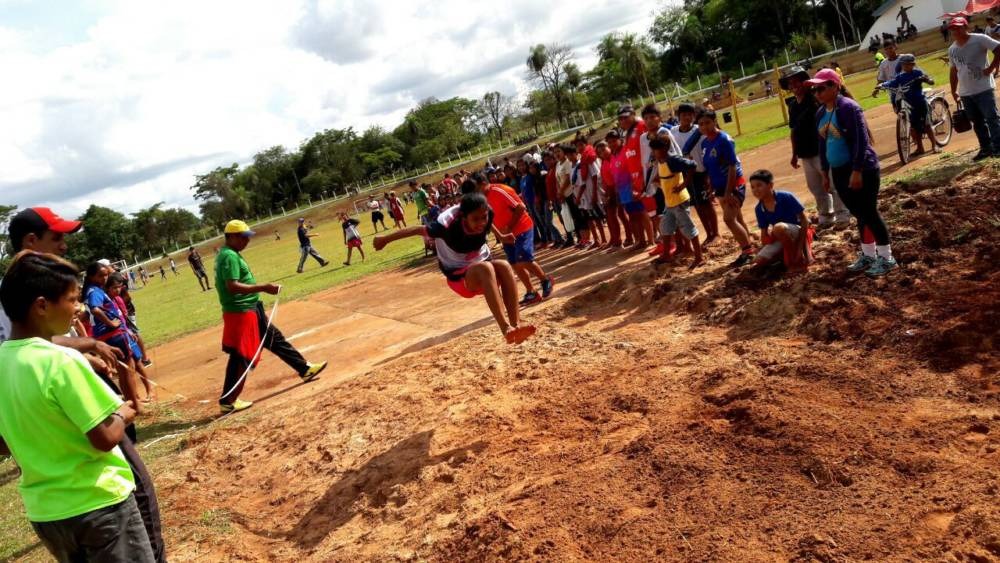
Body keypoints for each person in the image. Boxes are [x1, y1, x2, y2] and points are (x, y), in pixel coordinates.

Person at [0, 252, 156, 563]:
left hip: (47, 515)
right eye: (72, 300)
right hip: (99, 505)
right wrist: (127, 409)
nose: (79, 309)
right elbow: (103, 438)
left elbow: (2, 445)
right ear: (42, 305)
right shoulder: (60, 359)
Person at [373, 193, 536, 344]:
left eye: (483, 218)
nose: (481, 223)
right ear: (464, 218)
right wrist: (385, 239)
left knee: (504, 265)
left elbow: (489, 221)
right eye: (475, 219)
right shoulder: (445, 226)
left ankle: (516, 325)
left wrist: (500, 236)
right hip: (460, 278)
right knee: (485, 268)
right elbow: (416, 230)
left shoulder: (487, 213)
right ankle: (505, 328)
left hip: (486, 274)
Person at [214, 220, 327, 413]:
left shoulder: (230, 254)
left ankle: (304, 369)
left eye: (247, 237)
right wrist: (264, 287)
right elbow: (232, 287)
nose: (246, 241)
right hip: (242, 312)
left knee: (274, 339)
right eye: (243, 237)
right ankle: (228, 399)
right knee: (241, 354)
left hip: (250, 308)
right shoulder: (228, 256)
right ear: (231, 237)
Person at [811, 68, 897, 277]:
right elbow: (823, 144)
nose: (817, 93)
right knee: (859, 214)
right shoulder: (821, 113)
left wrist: (857, 170)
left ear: (835, 86)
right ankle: (868, 254)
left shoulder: (849, 108)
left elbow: (861, 141)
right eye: (815, 89)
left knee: (869, 212)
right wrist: (824, 171)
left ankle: (886, 257)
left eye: (822, 88)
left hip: (862, 168)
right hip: (839, 171)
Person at [782, 66, 851, 226]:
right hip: (805, 152)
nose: (794, 86)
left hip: (821, 149)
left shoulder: (814, 99)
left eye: (796, 82)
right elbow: (793, 130)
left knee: (832, 184)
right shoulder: (792, 105)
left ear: (804, 82)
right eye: (790, 84)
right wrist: (794, 154)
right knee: (816, 187)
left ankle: (843, 214)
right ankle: (826, 215)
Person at [473, 174, 555, 305]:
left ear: (483, 183)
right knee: (515, 263)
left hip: (521, 228)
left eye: (476, 188)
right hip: (506, 235)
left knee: (523, 258)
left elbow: (521, 207)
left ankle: (545, 280)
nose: (475, 191)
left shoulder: (499, 190)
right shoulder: (481, 199)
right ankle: (531, 292)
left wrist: (509, 227)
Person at [696, 108, 755, 267]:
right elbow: (709, 167)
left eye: (707, 122)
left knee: (729, 219)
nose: (705, 127)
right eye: (701, 124)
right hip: (720, 187)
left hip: (734, 185)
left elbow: (732, 167)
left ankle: (747, 251)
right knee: (738, 218)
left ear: (714, 121)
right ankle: (750, 247)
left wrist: (729, 192)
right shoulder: (704, 143)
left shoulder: (724, 140)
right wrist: (710, 186)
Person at [948, 16, 1000, 160]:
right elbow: (953, 71)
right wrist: (954, 90)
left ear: (966, 27)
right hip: (966, 92)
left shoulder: (979, 39)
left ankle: (998, 147)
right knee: (977, 122)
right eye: (953, 29)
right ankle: (986, 148)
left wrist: (990, 69)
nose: (955, 31)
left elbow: (998, 49)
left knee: (992, 118)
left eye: (958, 27)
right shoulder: (952, 49)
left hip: (983, 88)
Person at [649, 136, 703, 269]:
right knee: (665, 228)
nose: (654, 152)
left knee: (688, 229)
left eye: (656, 150)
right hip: (670, 202)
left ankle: (699, 257)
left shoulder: (673, 160)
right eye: (653, 150)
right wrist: (658, 183)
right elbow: (661, 178)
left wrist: (684, 184)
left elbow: (692, 165)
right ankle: (667, 254)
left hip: (679, 202)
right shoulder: (660, 161)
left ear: (665, 149)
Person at [672, 103, 720, 246]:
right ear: (678, 116)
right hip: (686, 175)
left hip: (701, 171)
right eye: (683, 115)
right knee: (698, 205)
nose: (687, 117)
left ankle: (716, 233)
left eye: (689, 114)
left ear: (694, 116)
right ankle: (709, 234)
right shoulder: (674, 132)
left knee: (707, 204)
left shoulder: (699, 130)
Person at [877, 54, 942, 155]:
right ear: (901, 65)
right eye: (904, 65)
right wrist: (881, 85)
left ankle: (935, 145)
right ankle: (920, 148)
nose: (906, 66)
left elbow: (930, 81)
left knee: (927, 125)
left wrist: (926, 79)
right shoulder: (900, 77)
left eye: (909, 64)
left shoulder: (918, 73)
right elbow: (891, 83)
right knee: (915, 127)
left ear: (913, 64)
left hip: (920, 102)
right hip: (910, 104)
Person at [749, 169, 812, 273]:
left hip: (798, 231)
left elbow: (805, 221)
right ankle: (783, 257)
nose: (755, 190)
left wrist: (800, 248)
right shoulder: (759, 208)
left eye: (759, 185)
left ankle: (797, 262)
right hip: (780, 235)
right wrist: (766, 245)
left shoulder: (786, 196)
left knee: (778, 227)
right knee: (757, 262)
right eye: (752, 187)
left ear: (770, 185)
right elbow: (764, 236)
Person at [618, 105, 656, 248]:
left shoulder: (641, 126)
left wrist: (650, 172)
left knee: (654, 211)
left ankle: (659, 240)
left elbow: (651, 150)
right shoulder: (627, 133)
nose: (623, 120)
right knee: (647, 211)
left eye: (626, 117)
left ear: (633, 114)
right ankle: (649, 241)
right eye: (620, 118)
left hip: (647, 176)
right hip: (636, 179)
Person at [876, 38, 902, 111]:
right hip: (893, 91)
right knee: (897, 111)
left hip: (905, 88)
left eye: (890, 48)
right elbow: (881, 78)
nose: (889, 51)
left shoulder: (902, 58)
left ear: (895, 47)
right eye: (886, 49)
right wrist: (877, 89)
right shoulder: (883, 64)